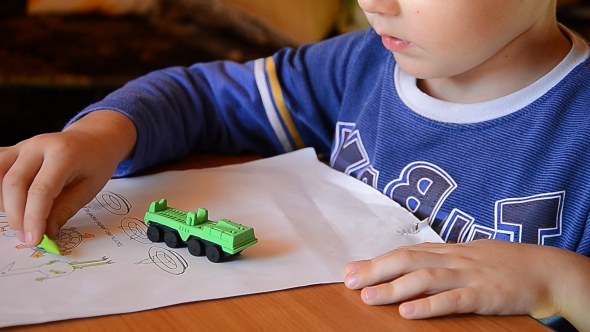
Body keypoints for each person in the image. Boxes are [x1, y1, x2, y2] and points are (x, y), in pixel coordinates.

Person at [1, 0, 588, 330]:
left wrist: (561, 281)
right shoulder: (359, 64)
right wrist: (101, 135)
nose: (375, 4)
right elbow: (204, 99)